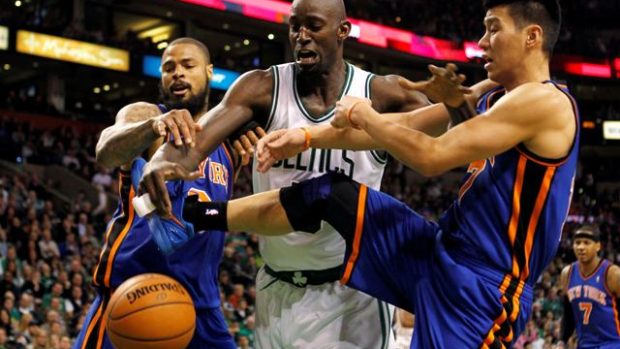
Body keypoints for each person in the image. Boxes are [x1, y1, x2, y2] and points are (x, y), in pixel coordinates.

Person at [173, 0, 579, 347]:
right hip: (439, 250)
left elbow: (432, 156)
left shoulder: (546, 102)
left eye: (493, 30)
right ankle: (203, 215)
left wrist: (366, 113)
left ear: (532, 37)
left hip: (484, 288)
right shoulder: (494, 93)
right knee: (329, 193)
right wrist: (305, 137)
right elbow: (412, 127)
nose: (482, 42)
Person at [138, 0, 431, 347]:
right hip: (277, 290)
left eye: (314, 26)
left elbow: (448, 140)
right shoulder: (262, 88)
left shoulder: (380, 94)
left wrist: (456, 102)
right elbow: (196, 144)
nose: (302, 37)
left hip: (352, 293)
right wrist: (159, 163)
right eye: (295, 27)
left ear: (342, 31)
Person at [73, 37, 259, 349]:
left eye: (188, 65)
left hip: (200, 303)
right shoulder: (145, 115)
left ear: (209, 72)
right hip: (131, 292)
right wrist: (153, 126)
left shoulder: (228, 140)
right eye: (168, 68)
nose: (177, 73)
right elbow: (106, 151)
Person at [559, 225, 620, 348]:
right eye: (577, 243)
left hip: (613, 343)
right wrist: (562, 340)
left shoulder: (612, 273)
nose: (581, 247)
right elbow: (568, 313)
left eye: (586, 243)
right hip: (585, 344)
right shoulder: (567, 274)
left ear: (598, 246)